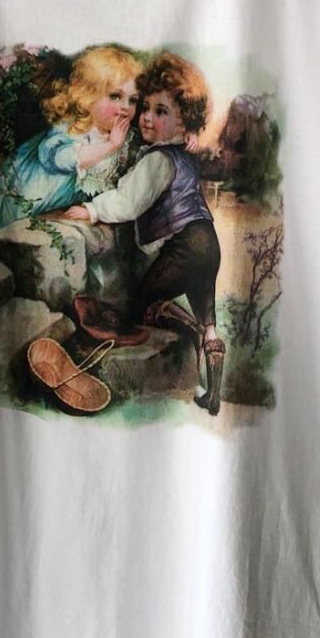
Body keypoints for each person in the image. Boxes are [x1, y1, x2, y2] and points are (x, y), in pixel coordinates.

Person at [60, 51, 225, 415]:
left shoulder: (157, 159)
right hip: (209, 243)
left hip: (185, 247)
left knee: (139, 304)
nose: (146, 117)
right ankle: (211, 393)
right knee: (210, 318)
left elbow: (128, 202)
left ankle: (188, 334)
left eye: (160, 111)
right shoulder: (184, 154)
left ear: (183, 123)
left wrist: (92, 210)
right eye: (146, 108)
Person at [0, 45, 142, 240]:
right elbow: (57, 159)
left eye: (133, 100)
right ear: (88, 97)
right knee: (8, 234)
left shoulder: (125, 138)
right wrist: (109, 146)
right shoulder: (73, 128)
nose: (125, 107)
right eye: (115, 96)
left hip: (62, 208)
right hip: (31, 195)